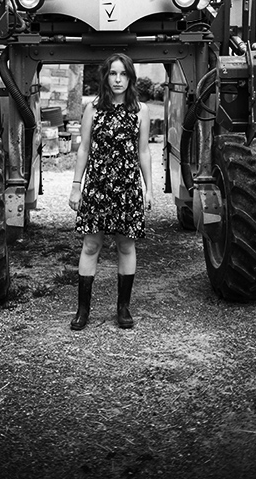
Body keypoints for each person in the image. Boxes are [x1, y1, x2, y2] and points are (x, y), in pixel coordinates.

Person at [68, 53, 153, 331]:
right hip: (98, 186)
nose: (118, 80)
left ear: (130, 78)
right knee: (91, 245)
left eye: (123, 74)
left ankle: (123, 308)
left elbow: (143, 152)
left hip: (127, 187)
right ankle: (83, 311)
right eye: (113, 74)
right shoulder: (93, 108)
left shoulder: (141, 110)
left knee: (126, 245)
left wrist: (148, 189)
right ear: (105, 76)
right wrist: (76, 186)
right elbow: (83, 148)